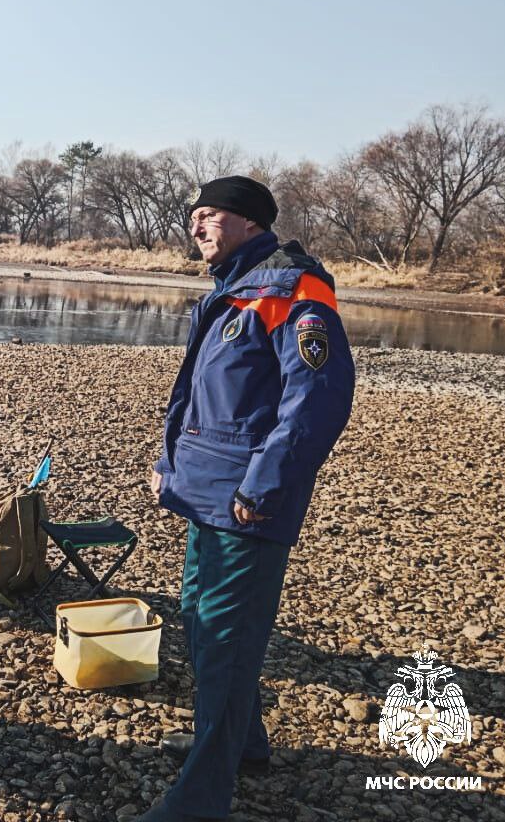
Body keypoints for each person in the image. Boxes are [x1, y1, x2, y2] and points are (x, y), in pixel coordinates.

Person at [137, 176, 355, 821]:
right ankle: (243, 745)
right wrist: (168, 465)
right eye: (193, 216)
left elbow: (316, 400)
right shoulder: (232, 289)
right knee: (201, 620)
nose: (197, 226)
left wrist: (262, 487)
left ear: (249, 223)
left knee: (227, 637)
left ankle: (201, 799)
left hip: (245, 499)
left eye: (210, 215)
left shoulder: (294, 289)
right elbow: (201, 398)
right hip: (204, 488)